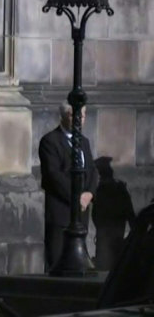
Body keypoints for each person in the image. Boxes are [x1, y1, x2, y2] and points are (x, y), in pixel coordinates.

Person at [38, 101, 98, 271]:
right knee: (57, 264)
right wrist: (76, 197)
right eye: (74, 115)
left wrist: (90, 194)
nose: (80, 120)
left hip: (81, 216)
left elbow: (92, 171)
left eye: (83, 116)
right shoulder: (50, 141)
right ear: (64, 116)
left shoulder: (84, 142)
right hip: (61, 215)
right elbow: (53, 176)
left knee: (79, 266)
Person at [92, 156, 136, 270]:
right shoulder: (117, 189)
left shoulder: (103, 190)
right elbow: (130, 214)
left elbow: (95, 216)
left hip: (109, 236)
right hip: (113, 236)